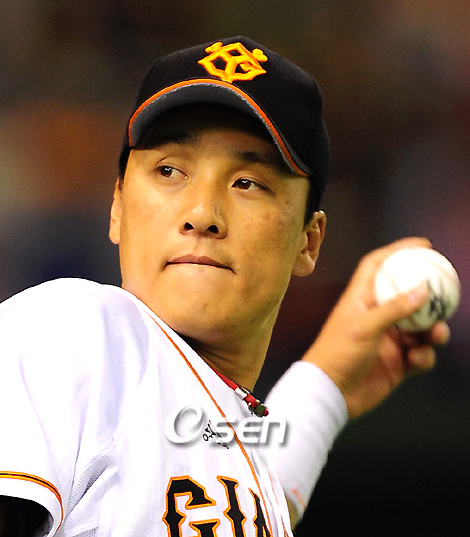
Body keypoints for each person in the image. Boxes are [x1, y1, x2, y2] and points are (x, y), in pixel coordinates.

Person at [0, 36, 449, 537]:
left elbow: (237, 490)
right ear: (118, 207)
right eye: (170, 170)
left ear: (309, 240)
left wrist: (328, 384)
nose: (202, 214)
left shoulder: (214, 432)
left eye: (247, 183)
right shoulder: (72, 328)